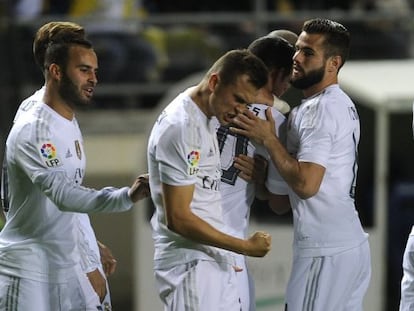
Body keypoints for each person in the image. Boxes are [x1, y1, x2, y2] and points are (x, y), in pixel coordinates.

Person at [0, 30, 149, 310]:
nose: (93, 79)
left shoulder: (63, 114)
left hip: (62, 262)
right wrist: (125, 197)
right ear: (55, 70)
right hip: (28, 272)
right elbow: (63, 194)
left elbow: (64, 199)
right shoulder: (36, 127)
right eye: (84, 70)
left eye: (94, 70)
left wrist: (89, 246)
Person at [231, 18, 371, 310]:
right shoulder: (316, 108)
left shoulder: (321, 110)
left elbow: (307, 185)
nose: (296, 58)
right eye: (297, 49)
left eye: (308, 53)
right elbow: (280, 203)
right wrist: (263, 176)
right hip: (345, 246)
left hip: (326, 251)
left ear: (333, 63)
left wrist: (268, 140)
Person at [147, 49, 272, 310]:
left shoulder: (205, 117)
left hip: (210, 258)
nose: (239, 110)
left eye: (246, 104)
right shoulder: (182, 126)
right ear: (215, 82)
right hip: (191, 265)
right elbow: (178, 218)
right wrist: (244, 246)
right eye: (237, 99)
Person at [217, 33, 296, 311]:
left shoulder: (207, 105)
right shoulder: (277, 120)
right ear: (275, 74)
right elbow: (278, 203)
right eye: (289, 77)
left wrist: (259, 178)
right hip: (227, 243)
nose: (289, 86)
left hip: (190, 230)